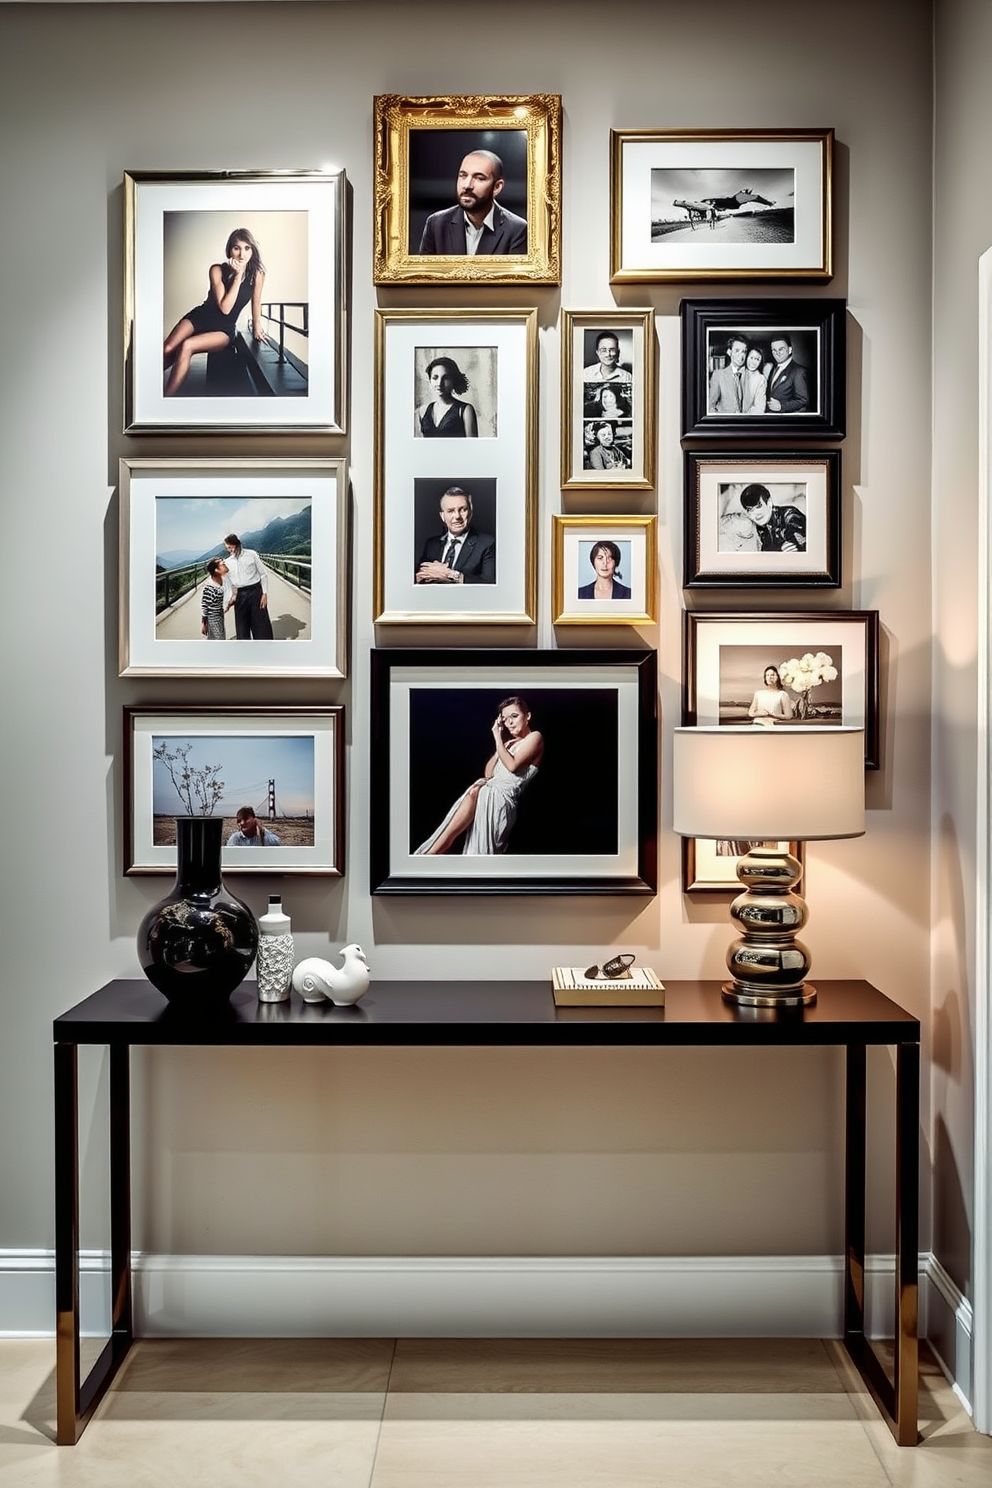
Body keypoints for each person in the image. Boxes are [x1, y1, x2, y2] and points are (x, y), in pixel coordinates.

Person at [415, 697, 543, 855]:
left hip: (501, 801)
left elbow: (512, 766)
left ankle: (430, 857)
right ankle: (428, 857)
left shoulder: (535, 737)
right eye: (504, 719)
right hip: (485, 795)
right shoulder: (508, 744)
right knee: (447, 836)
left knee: (481, 854)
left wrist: (496, 737)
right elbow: (489, 773)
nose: (509, 722)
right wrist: (501, 743)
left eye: (514, 716)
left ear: (527, 716)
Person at [163, 227, 266, 396]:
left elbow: (246, 306)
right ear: (229, 250)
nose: (242, 254)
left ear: (252, 250)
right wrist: (237, 276)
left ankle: (166, 399)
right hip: (200, 317)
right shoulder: (216, 269)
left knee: (186, 346)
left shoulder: (258, 275)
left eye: (247, 248)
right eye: (237, 248)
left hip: (223, 329)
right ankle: (146, 387)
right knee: (167, 349)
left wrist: (257, 326)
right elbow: (223, 305)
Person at [418, 150, 528, 255]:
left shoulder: (517, 229)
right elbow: (424, 273)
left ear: (497, 187)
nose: (467, 185)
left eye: (479, 178)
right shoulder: (436, 224)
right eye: (463, 176)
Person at [416, 488, 496, 585]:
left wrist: (451, 575)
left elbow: (490, 584)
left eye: (463, 510)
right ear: (442, 516)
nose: (457, 516)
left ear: (470, 513)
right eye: (450, 511)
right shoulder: (431, 544)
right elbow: (420, 577)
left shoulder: (487, 544)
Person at [223, 533, 275, 638]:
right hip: (240, 595)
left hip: (255, 591)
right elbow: (227, 583)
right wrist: (229, 599)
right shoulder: (227, 562)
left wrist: (264, 593)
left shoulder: (252, 554)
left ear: (237, 544)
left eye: (231, 547)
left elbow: (263, 574)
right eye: (227, 548)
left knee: (261, 624)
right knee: (242, 628)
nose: (230, 550)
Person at [416, 356, 479, 437]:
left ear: (453, 380)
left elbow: (473, 446)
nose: (439, 383)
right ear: (430, 381)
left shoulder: (465, 410)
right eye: (435, 378)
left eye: (446, 378)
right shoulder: (422, 411)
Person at [739, 484, 806, 552]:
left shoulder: (789, 515)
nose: (756, 513)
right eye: (750, 510)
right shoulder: (756, 528)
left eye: (759, 506)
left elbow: (795, 547)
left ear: (769, 503)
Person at [765, 334, 810, 413]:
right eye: (774, 350)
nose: (777, 353)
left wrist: (781, 406)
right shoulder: (773, 368)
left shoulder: (798, 371)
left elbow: (803, 400)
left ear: (790, 350)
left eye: (781, 349)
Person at [708, 333, 749, 413]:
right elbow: (710, 406)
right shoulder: (718, 375)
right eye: (737, 351)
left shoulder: (751, 375)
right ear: (729, 352)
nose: (741, 356)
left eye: (744, 351)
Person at [200, 558, 230, 640]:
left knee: (216, 638)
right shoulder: (210, 587)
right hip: (213, 618)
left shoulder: (222, 579)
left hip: (219, 614)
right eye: (222, 564)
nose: (224, 563)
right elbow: (205, 606)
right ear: (216, 570)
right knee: (219, 639)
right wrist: (204, 624)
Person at [741, 345, 768, 414]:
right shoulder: (738, 372)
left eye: (757, 359)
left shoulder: (760, 379)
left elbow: (759, 408)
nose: (753, 362)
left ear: (761, 362)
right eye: (751, 357)